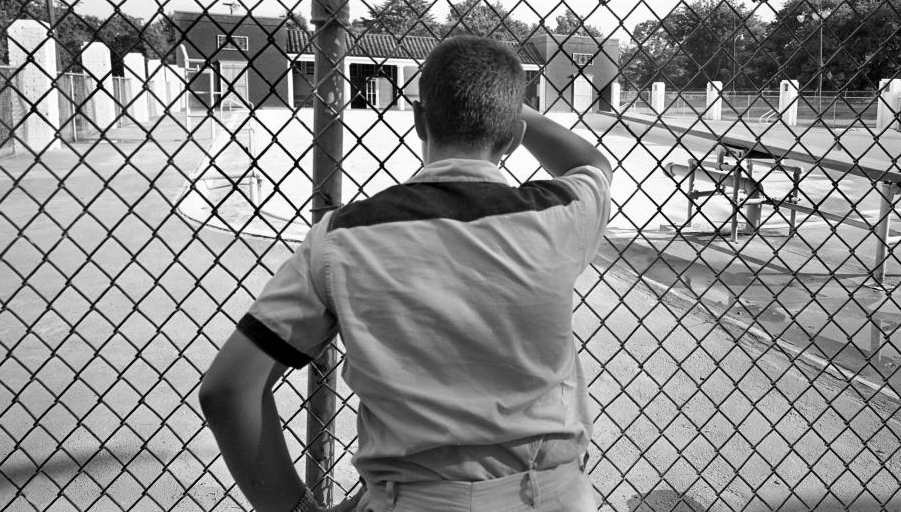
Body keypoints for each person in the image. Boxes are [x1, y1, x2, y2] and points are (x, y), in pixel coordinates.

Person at [199, 35, 613, 512]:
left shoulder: (343, 236)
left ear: (418, 119)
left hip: (409, 500)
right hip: (548, 496)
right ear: (514, 136)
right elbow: (591, 163)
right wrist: (514, 111)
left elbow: (228, 390)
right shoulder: (559, 216)